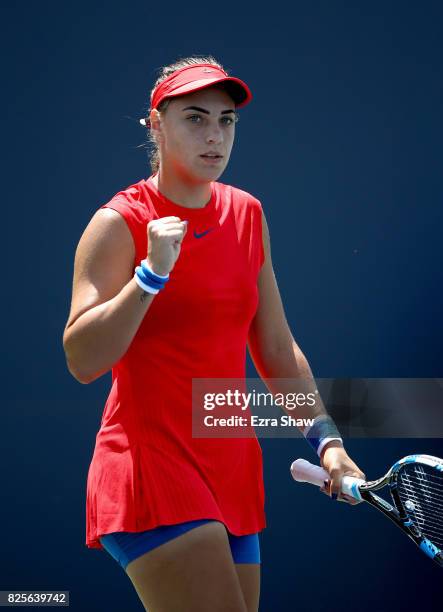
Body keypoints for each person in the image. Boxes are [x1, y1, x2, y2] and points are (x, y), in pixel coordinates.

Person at [63, 55, 366, 612]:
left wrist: (328, 442)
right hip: (149, 468)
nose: (215, 136)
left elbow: (275, 347)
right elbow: (82, 357)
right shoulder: (117, 223)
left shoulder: (248, 214)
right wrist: (149, 277)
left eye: (227, 121)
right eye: (195, 118)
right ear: (156, 124)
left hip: (230, 473)